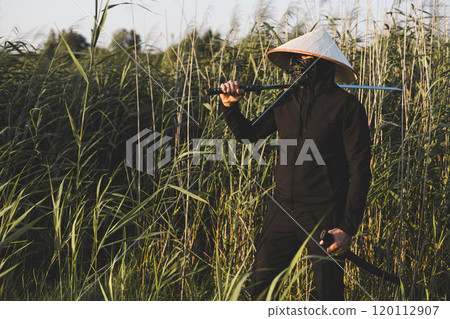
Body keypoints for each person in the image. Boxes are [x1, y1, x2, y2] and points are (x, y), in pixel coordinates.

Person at [218, 28, 372, 300]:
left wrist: (347, 227)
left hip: (324, 214)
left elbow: (360, 170)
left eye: (304, 59)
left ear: (323, 64)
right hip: (281, 210)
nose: (296, 66)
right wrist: (230, 107)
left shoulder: (347, 108)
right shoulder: (285, 100)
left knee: (328, 296)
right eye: (295, 60)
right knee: (259, 291)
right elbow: (249, 135)